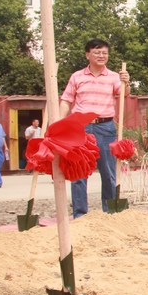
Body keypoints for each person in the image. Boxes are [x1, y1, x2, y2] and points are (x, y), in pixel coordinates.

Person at [59, 38, 131, 218]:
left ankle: (110, 212)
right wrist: (59, 123)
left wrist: (126, 82)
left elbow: (124, 94)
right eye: (97, 52)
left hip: (105, 127)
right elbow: (66, 100)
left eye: (104, 53)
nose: (101, 56)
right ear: (87, 55)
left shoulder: (114, 77)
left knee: (108, 171)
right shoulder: (77, 77)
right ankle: (80, 214)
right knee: (79, 170)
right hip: (80, 126)